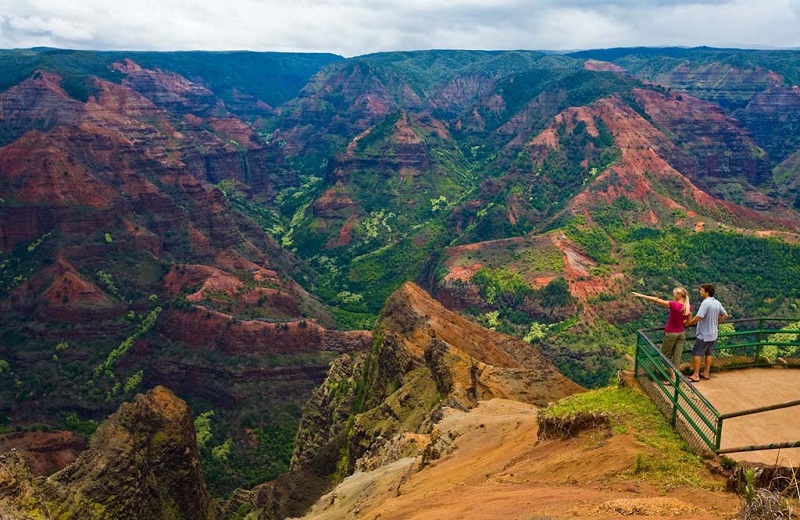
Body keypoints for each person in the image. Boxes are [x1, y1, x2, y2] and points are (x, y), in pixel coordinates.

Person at [632, 288, 692, 370]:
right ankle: (676, 376)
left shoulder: (674, 305)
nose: (674, 295)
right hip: (681, 333)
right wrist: (682, 321)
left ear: (679, 295)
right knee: (677, 357)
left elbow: (656, 300)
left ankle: (672, 375)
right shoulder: (688, 308)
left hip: (671, 333)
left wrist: (641, 295)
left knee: (664, 356)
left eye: (675, 294)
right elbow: (688, 323)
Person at [685, 283, 728, 382]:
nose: (700, 292)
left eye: (701, 290)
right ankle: (706, 373)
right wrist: (715, 321)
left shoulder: (706, 303)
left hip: (704, 334)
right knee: (708, 353)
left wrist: (689, 323)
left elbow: (699, 316)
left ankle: (696, 375)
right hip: (713, 333)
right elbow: (725, 315)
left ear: (706, 292)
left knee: (696, 353)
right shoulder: (717, 302)